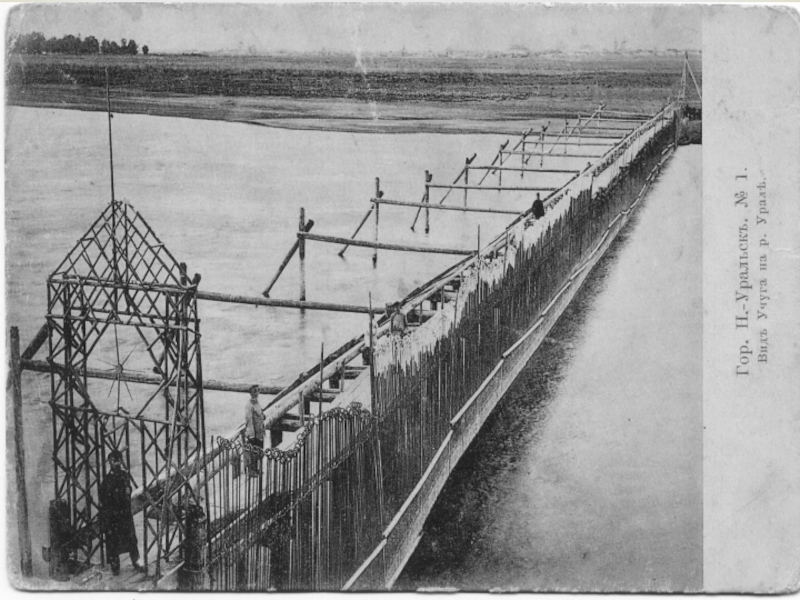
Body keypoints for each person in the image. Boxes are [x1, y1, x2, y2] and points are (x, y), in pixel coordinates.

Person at [99, 450, 146, 575]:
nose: (116, 464)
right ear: (110, 462)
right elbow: (103, 498)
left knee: (131, 540)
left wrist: (127, 491)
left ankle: (137, 562)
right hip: (113, 515)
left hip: (124, 513)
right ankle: (115, 566)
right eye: (114, 461)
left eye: (118, 461)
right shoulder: (107, 480)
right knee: (113, 541)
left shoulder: (124, 476)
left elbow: (128, 490)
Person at [244, 385, 265, 476]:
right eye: (254, 391)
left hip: (260, 432)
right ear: (251, 393)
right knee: (253, 453)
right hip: (254, 433)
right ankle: (252, 471)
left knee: (259, 452)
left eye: (257, 391)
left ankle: (257, 469)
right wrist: (251, 435)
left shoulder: (257, 403)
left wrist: (263, 416)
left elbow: (260, 414)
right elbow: (249, 420)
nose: (256, 393)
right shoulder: (249, 405)